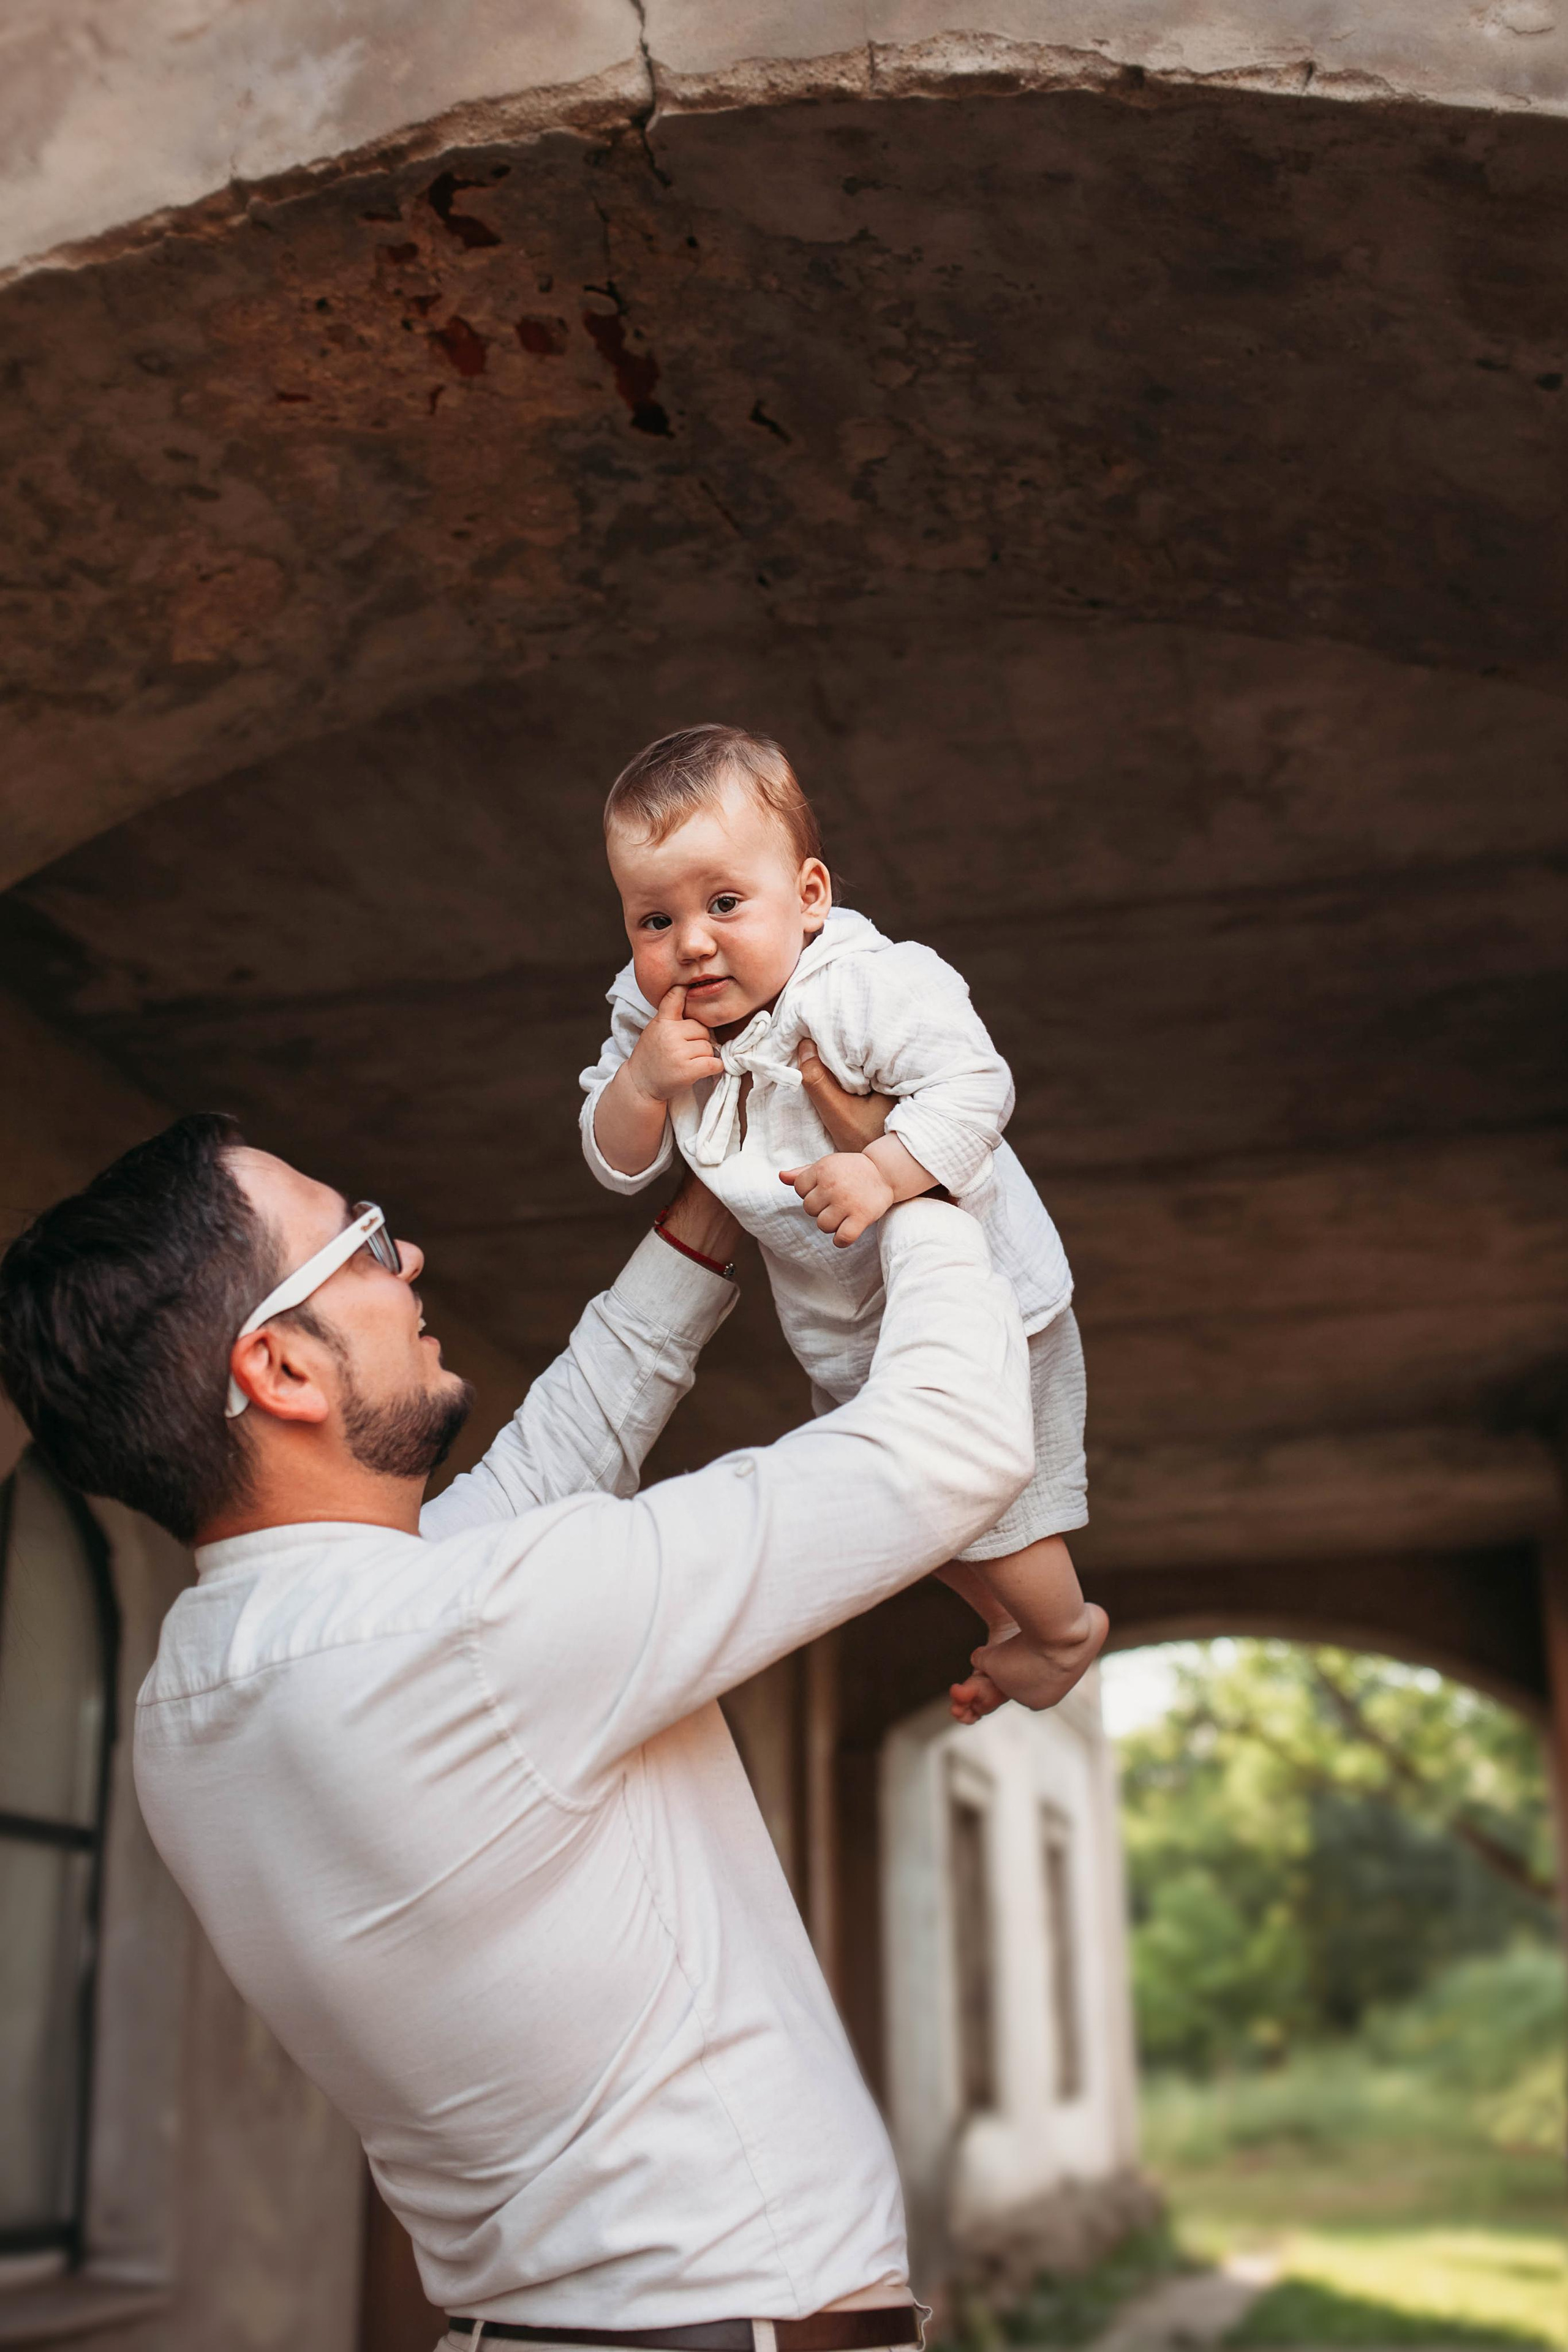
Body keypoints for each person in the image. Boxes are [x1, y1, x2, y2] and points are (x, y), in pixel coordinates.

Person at [0, 1109, 1033, 2348]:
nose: (412, 1260)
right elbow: (950, 1445)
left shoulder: (200, 1690)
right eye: (362, 1246)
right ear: (281, 1370)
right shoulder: (465, 1633)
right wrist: (911, 1176)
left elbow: (547, 1466)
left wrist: (708, 1205)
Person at [580, 723, 1107, 1722]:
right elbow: (619, 1162)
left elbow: (974, 1087)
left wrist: (886, 1168)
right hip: (848, 1330)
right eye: (654, 920)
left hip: (980, 1300)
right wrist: (643, 1083)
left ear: (810, 897)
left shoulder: (862, 986)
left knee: (992, 1507)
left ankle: (1064, 1632)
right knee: (904, 1516)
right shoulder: (647, 1022)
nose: (690, 943)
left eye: (725, 903)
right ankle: (1015, 1633)